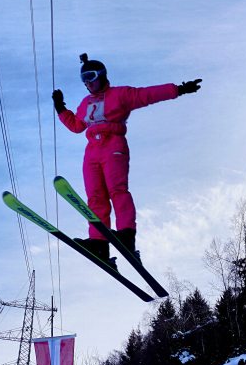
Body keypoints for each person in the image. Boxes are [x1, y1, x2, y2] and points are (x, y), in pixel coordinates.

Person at [52, 53, 201, 264]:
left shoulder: (120, 95)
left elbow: (147, 95)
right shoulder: (85, 103)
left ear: (102, 76)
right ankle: (99, 244)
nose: (88, 83)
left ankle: (126, 234)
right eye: (84, 79)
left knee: (117, 190)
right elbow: (77, 126)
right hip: (92, 150)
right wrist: (60, 108)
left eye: (91, 77)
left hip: (113, 145)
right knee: (95, 197)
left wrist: (179, 89)